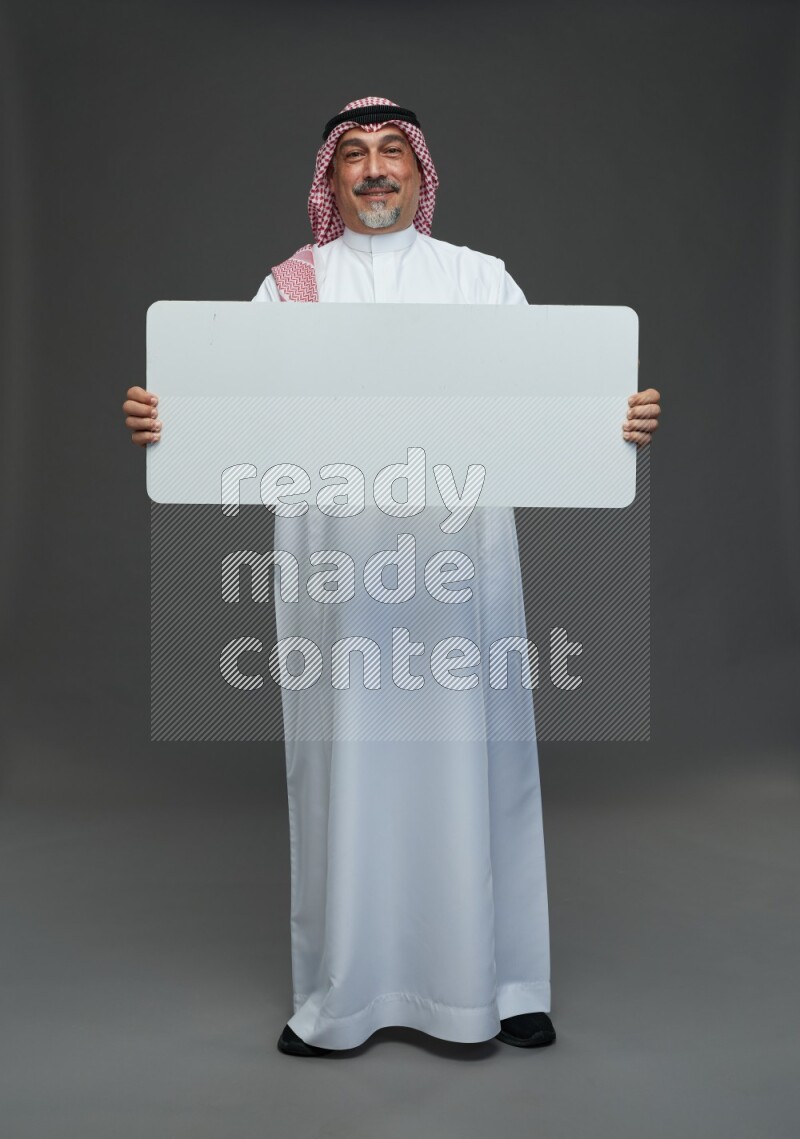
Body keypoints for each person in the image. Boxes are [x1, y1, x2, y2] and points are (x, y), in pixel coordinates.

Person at [123, 97, 661, 1058]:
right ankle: (345, 991)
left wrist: (610, 422)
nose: (374, 170)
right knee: (347, 766)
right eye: (355, 157)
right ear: (330, 181)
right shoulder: (292, 289)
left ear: (420, 171)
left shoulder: (479, 279)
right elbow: (226, 413)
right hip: (338, 575)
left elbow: (548, 407)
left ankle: (505, 983)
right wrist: (170, 423)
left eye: (391, 153)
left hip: (460, 574)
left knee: (479, 761)